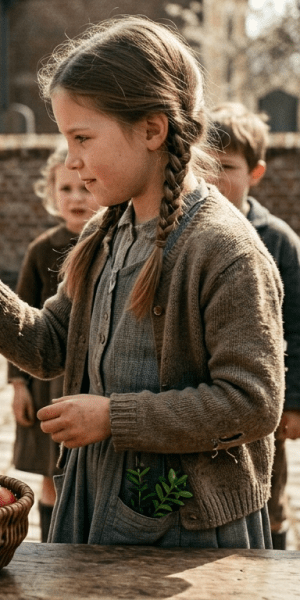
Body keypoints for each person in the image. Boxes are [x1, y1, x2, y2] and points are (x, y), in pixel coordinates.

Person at [0, 16, 284, 547]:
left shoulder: (223, 250)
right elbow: (51, 347)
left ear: (153, 130)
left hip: (189, 533)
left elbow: (253, 403)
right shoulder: (107, 229)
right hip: (95, 498)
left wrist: (115, 416)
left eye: (83, 137)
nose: (72, 160)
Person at [208, 102, 300, 550]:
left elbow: (298, 326)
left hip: (264, 400)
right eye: (203, 164)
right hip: (207, 393)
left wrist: (295, 402)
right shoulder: (185, 230)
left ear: (255, 172)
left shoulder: (278, 240)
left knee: (268, 491)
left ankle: (274, 557)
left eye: (226, 167)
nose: (212, 176)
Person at [8, 143, 98, 542]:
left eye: (84, 188)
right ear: (51, 193)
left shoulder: (110, 241)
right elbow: (19, 322)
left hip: (94, 380)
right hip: (47, 384)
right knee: (52, 474)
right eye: (66, 190)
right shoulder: (41, 250)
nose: (76, 198)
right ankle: (51, 545)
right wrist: (18, 385)